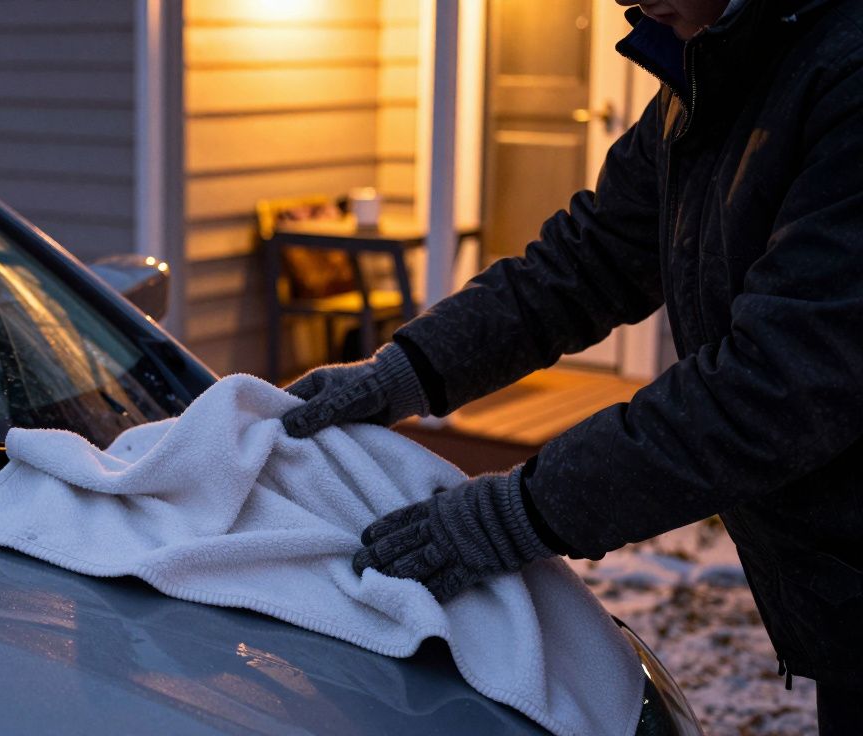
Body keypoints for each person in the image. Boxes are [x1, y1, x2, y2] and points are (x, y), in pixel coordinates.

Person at [279, 0, 863, 732]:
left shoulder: (844, 73)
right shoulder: (715, 66)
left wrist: (521, 513)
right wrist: (407, 370)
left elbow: (782, 384)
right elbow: (591, 260)